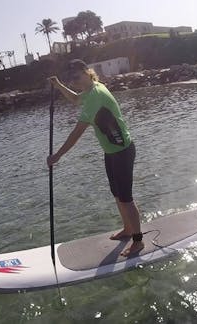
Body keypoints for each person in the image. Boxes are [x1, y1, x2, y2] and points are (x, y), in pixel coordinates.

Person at [47, 59, 144, 257]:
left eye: (76, 76)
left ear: (85, 71)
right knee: (117, 194)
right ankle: (127, 229)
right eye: (70, 79)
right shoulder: (92, 89)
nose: (73, 81)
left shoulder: (96, 95)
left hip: (122, 151)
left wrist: (57, 155)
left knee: (126, 198)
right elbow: (75, 99)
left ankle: (138, 241)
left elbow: (77, 132)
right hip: (111, 152)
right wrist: (58, 86)